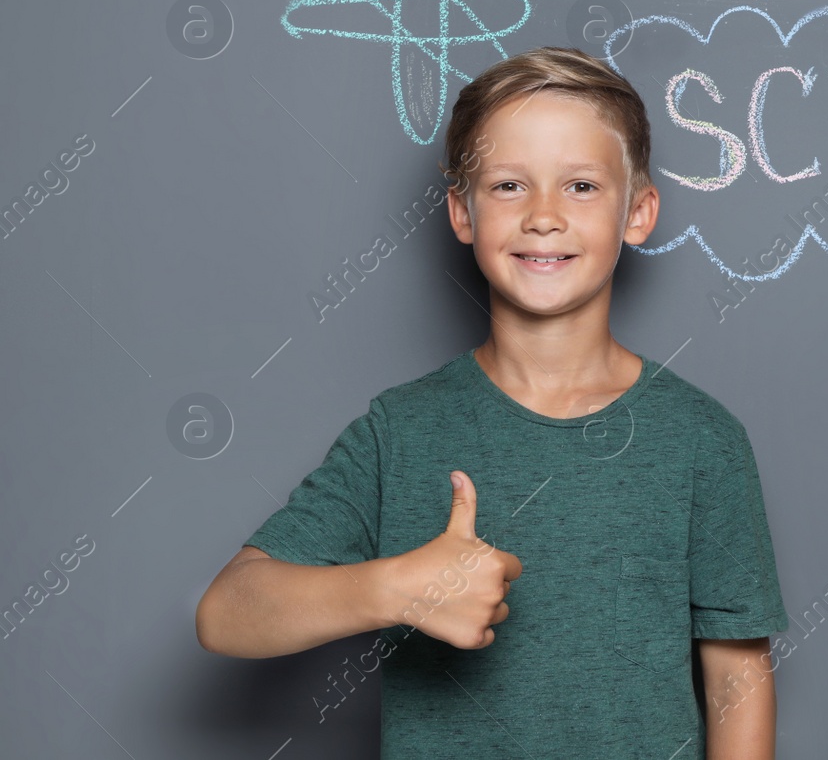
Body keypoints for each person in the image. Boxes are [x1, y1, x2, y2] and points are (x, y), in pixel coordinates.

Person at [195, 46, 789, 758]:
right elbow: (226, 613)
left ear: (638, 212)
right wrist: (393, 589)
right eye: (509, 185)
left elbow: (738, 672)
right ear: (462, 212)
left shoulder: (703, 438)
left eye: (581, 186)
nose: (543, 215)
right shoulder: (400, 431)